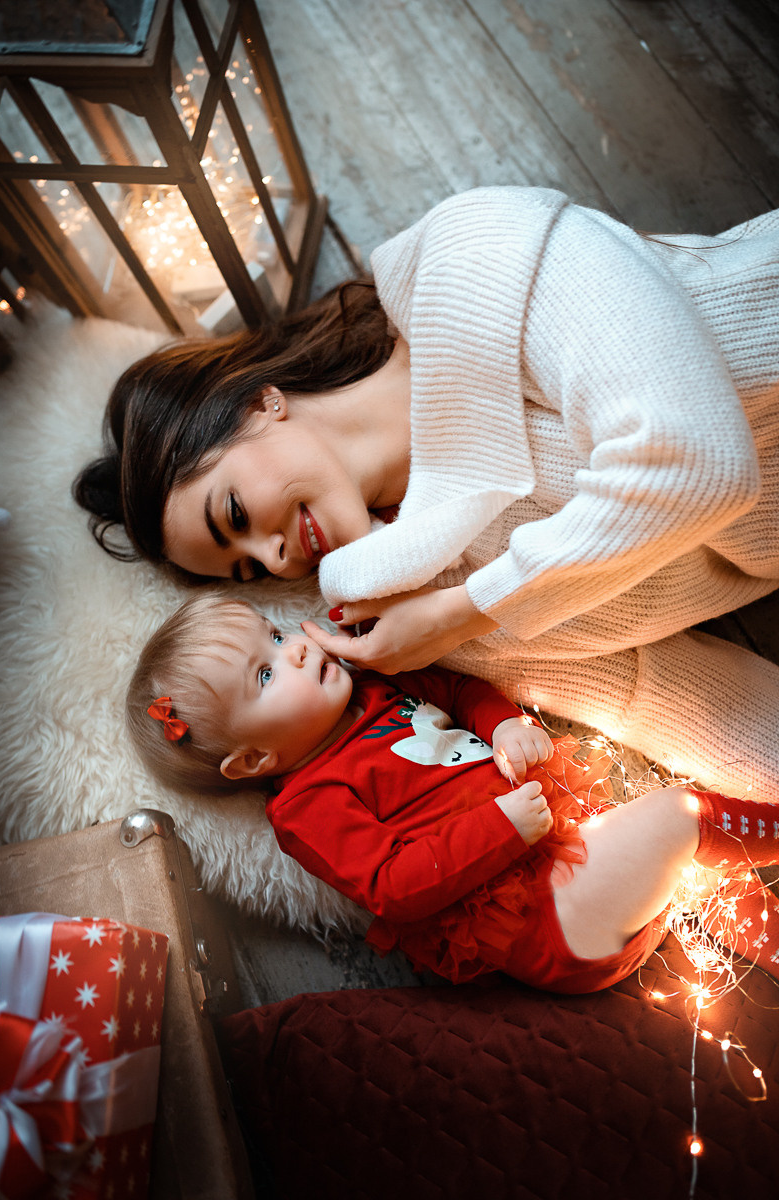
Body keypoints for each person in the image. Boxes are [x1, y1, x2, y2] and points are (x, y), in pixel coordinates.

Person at [75, 186, 779, 799]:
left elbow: (699, 466)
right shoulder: (413, 594)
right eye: (252, 569)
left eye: (235, 514)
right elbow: (652, 693)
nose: (279, 555)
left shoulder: (468, 262)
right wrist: (453, 619)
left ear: (259, 403)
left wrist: (466, 613)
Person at [126, 593, 779, 993]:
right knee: (681, 815)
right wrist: (501, 827)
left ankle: (758, 932)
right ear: (255, 758)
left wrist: (503, 726)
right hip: (548, 915)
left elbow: (463, 692)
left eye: (274, 634)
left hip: (582, 852)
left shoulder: (375, 686)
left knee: (702, 883)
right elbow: (392, 884)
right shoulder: (307, 805)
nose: (293, 650)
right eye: (265, 674)